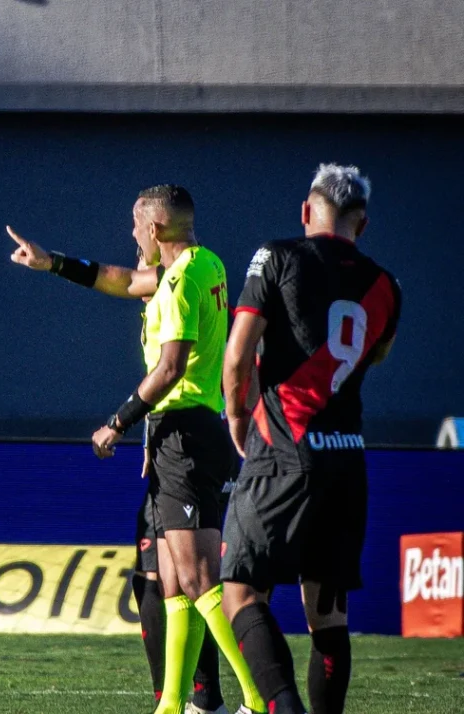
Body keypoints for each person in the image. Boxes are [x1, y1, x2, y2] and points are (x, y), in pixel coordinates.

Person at [7, 233, 235, 714]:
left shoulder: (183, 277)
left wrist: (119, 423)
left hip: (184, 437)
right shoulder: (201, 264)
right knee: (162, 579)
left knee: (195, 581)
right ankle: (176, 703)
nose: (132, 237)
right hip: (176, 436)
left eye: (137, 228)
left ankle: (256, 697)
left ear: (155, 230)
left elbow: (170, 368)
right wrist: (53, 263)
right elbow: (122, 279)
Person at [221, 165, 400, 714]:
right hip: (348, 457)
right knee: (328, 615)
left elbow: (236, 357)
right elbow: (373, 356)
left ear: (305, 211)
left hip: (284, 447)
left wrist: (237, 418)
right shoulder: (386, 286)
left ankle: (281, 708)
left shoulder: (277, 257)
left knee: (241, 590)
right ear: (362, 225)